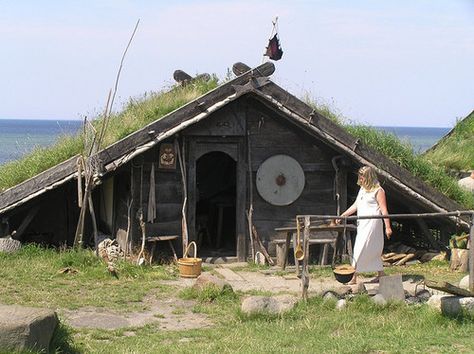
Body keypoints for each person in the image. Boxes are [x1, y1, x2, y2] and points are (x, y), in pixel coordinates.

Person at [336, 165, 392, 284]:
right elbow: (356, 205)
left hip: (373, 224)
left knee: (361, 248)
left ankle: (353, 276)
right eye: (360, 177)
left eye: (363, 177)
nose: (360, 179)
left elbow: (384, 210)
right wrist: (343, 215)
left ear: (369, 177)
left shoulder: (378, 190)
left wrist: (387, 227)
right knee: (366, 248)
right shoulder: (362, 189)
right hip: (362, 223)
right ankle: (381, 274)